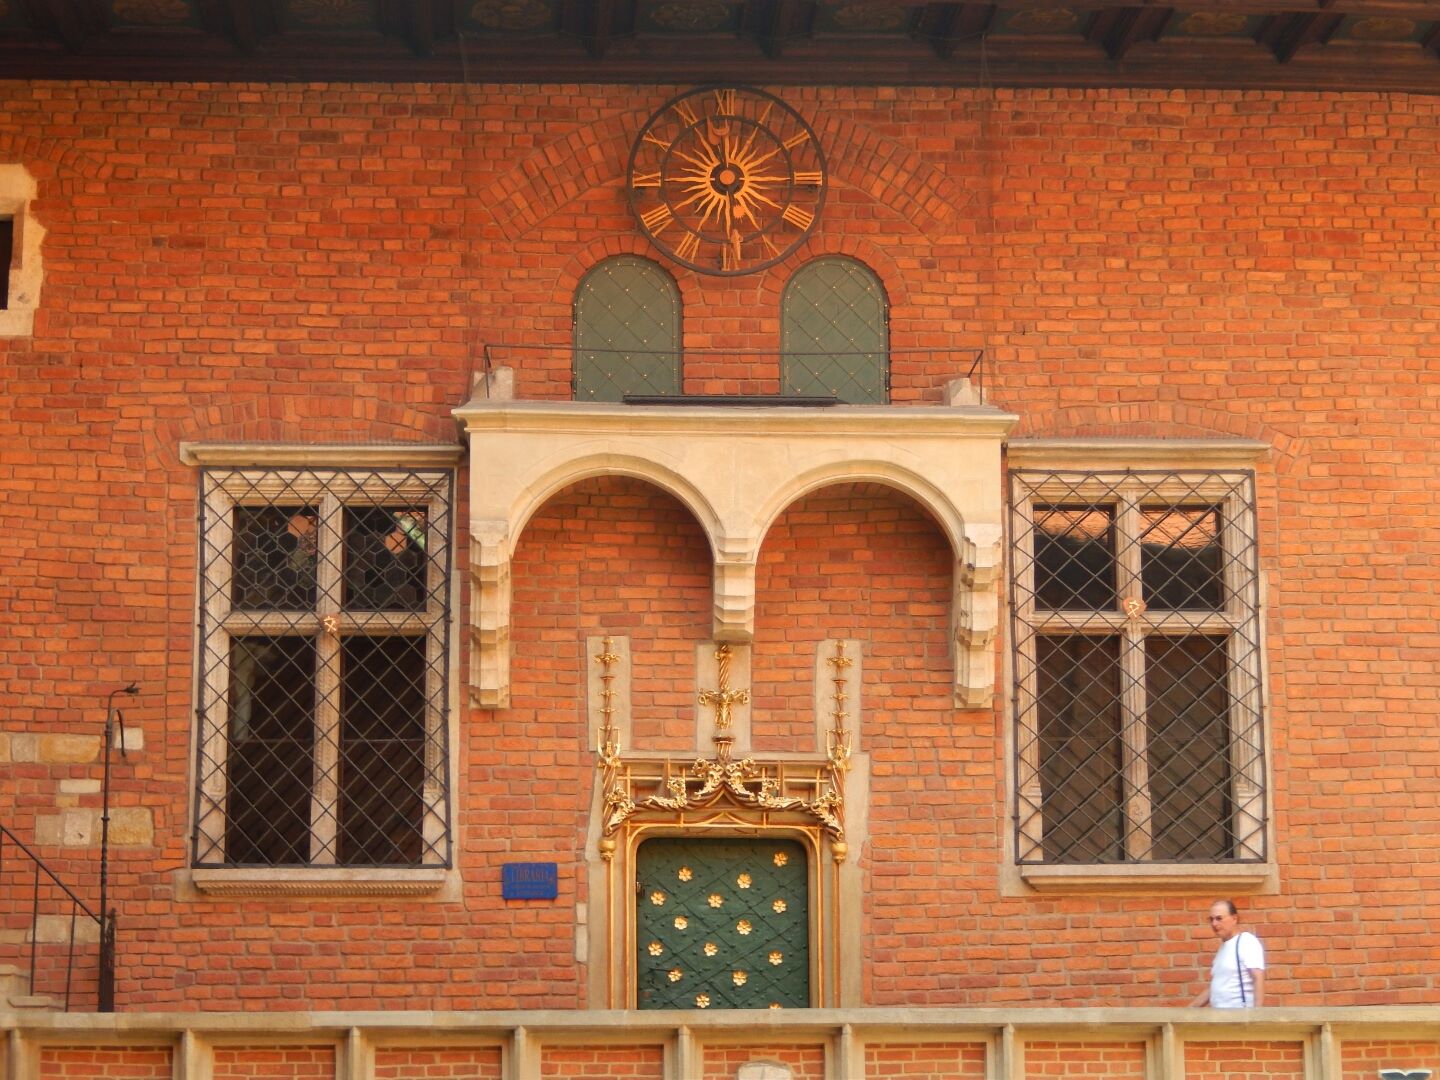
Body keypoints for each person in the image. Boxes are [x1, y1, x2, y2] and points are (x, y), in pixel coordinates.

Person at [1189, 899, 1265, 1008]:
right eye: (1211, 919)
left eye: (1219, 918)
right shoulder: (1223, 948)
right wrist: (1189, 1010)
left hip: (1240, 1015)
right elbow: (1216, 987)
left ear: (1234, 918)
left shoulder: (1246, 941)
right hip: (1221, 1017)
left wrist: (1256, 1016)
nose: (1214, 923)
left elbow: (1257, 978)